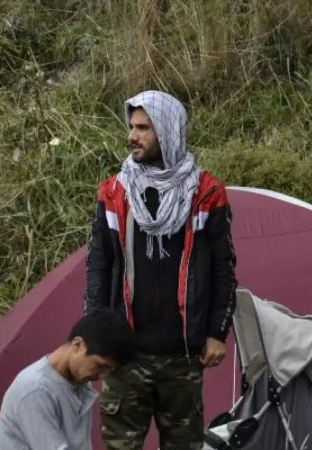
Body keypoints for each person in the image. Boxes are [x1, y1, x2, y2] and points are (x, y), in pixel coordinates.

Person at [84, 90, 237, 449]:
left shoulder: (205, 192)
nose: (132, 136)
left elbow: (224, 268)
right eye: (132, 126)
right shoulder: (115, 192)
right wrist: (95, 331)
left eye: (144, 128)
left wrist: (217, 331)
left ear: (167, 131)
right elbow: (98, 265)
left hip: (182, 358)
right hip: (125, 357)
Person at [0, 310, 136, 450]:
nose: (102, 376)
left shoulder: (81, 382)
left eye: (109, 370)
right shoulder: (35, 389)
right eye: (99, 366)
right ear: (78, 345)